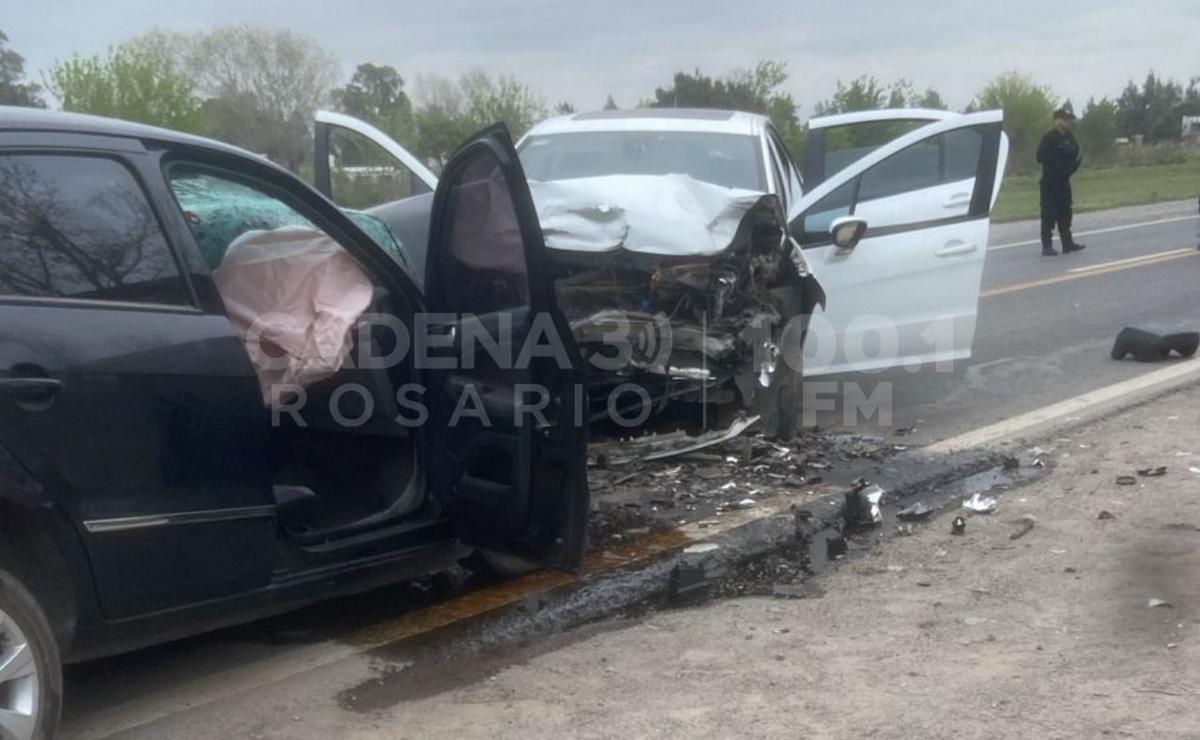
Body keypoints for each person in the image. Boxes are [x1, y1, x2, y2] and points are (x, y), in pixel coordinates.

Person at [1037, 109, 1085, 256]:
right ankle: (1047, 246)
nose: (1069, 122)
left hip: (1064, 181)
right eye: (1066, 120)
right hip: (1050, 183)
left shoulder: (1070, 137)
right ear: (1057, 121)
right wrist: (1057, 151)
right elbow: (1040, 157)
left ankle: (1067, 243)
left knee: (1065, 213)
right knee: (1049, 214)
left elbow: (1075, 151)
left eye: (1069, 120)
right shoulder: (1049, 137)